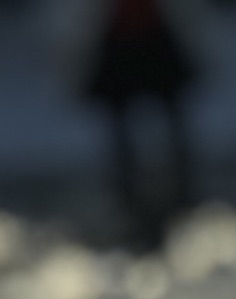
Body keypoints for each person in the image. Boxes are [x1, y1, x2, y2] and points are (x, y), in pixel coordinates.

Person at [52, 0, 208, 233]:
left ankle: (182, 192)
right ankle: (127, 196)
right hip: (119, 45)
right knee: (122, 131)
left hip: (156, 40)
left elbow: (191, 16)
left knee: (172, 125)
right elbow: (76, 21)